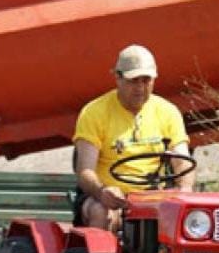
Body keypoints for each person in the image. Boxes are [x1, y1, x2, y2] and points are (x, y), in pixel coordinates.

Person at [73, 44, 195, 230]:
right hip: (107, 198)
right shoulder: (94, 112)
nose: (140, 88)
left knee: (193, 219)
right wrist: (102, 191)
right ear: (118, 78)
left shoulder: (167, 112)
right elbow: (85, 171)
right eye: (133, 80)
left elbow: (182, 161)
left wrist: (185, 191)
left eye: (146, 81)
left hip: (153, 197)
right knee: (101, 213)